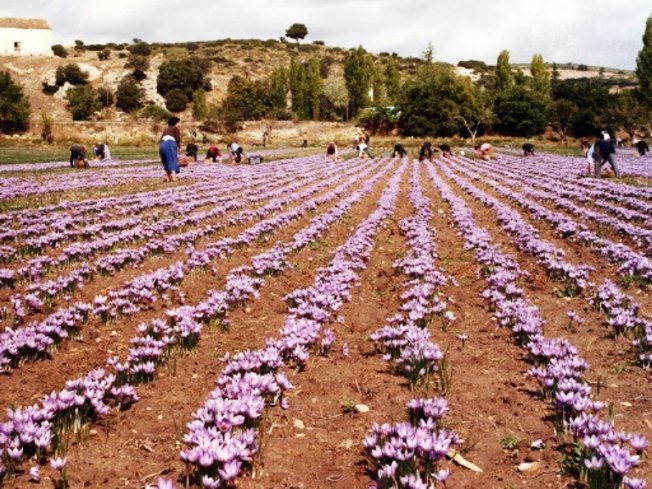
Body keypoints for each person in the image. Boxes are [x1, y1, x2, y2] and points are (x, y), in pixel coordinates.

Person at [159, 116, 181, 182]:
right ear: (175, 123)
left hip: (162, 144)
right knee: (172, 159)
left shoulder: (166, 129)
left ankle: (168, 177)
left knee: (165, 160)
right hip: (170, 143)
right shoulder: (175, 129)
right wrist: (179, 148)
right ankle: (174, 177)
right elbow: (177, 140)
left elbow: (161, 139)